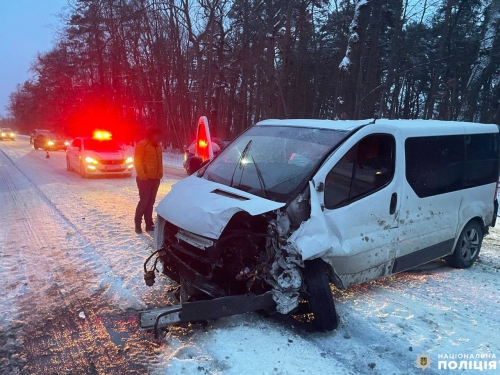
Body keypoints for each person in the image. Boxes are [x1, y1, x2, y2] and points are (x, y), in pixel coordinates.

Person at [134, 127, 163, 234]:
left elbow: (160, 162)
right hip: (144, 180)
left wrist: (160, 173)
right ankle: (137, 223)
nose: (158, 137)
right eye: (156, 135)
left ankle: (149, 224)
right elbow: (138, 162)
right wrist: (143, 177)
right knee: (144, 202)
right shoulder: (142, 145)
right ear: (151, 135)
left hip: (155, 179)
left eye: (159, 135)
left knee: (150, 203)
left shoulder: (158, 147)